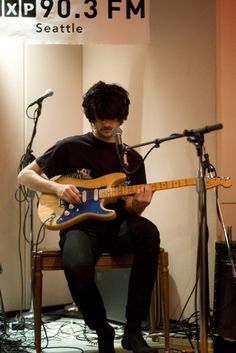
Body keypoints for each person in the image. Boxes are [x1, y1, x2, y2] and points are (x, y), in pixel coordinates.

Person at [18, 81, 160, 353]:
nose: (108, 124)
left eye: (114, 117)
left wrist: (139, 205)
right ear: (91, 116)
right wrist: (58, 187)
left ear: (122, 117)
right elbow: (25, 175)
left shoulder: (131, 156)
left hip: (118, 225)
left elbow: (131, 206)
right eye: (101, 117)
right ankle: (102, 328)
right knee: (78, 266)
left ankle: (132, 331)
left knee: (148, 232)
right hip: (81, 226)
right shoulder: (71, 146)